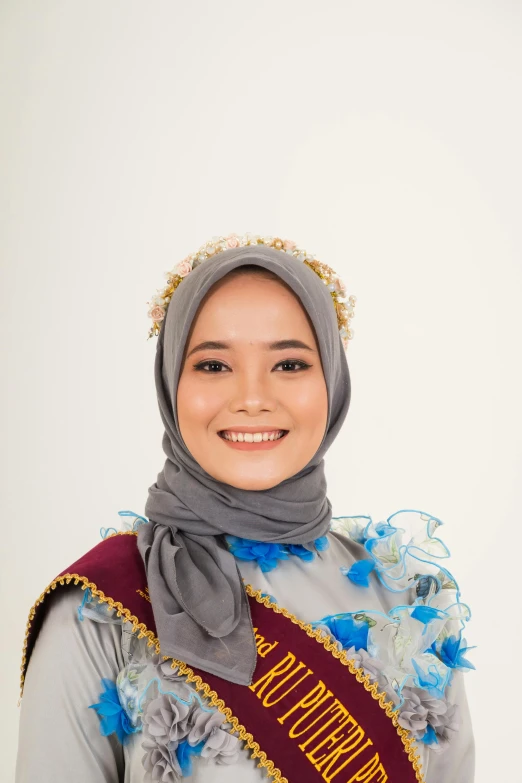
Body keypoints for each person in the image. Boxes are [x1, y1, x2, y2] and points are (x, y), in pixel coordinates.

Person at [15, 233, 475, 783]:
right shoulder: (100, 611)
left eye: (289, 364)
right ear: (169, 384)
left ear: (332, 381)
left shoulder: (408, 599)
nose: (253, 398)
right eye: (213, 365)